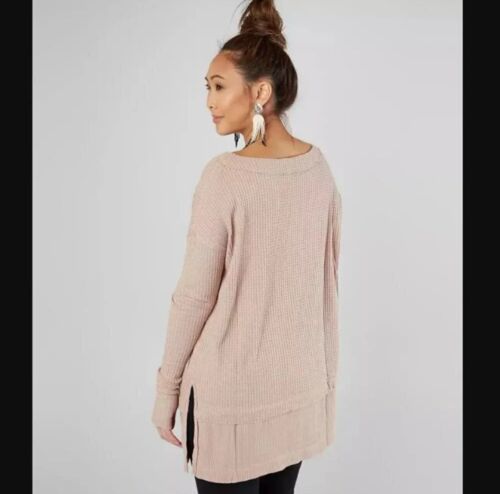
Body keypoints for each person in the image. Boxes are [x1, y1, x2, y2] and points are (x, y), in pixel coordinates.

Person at [151, 0, 343, 492]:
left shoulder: (225, 177)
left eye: (218, 87)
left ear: (260, 92)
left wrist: (167, 390)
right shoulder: (319, 171)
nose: (209, 101)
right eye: (207, 88)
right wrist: (323, 386)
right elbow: (326, 286)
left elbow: (194, 297)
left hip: (229, 404)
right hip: (297, 394)